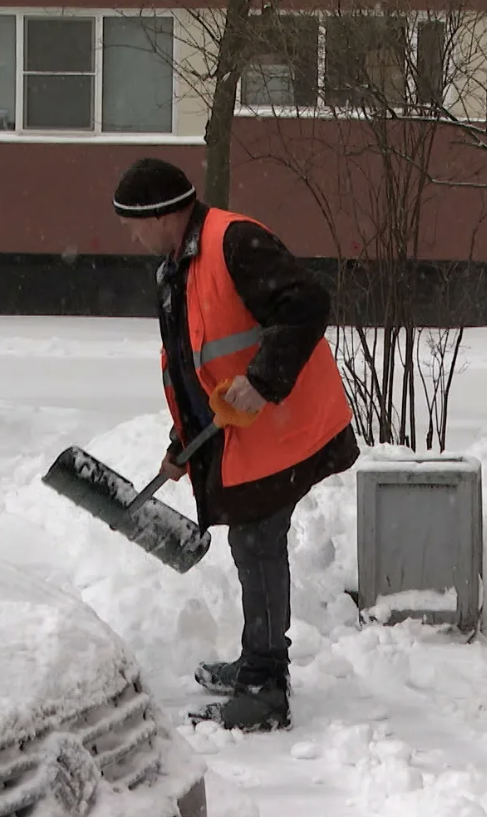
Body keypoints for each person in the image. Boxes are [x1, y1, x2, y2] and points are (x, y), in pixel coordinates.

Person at [112, 157, 360, 733]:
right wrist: (184, 443)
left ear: (162, 214)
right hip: (249, 430)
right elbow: (195, 363)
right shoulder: (174, 270)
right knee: (254, 544)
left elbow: (306, 304)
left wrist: (264, 379)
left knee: (258, 541)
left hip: (288, 423)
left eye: (134, 221)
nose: (131, 234)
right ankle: (257, 662)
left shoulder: (233, 241)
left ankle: (265, 687)